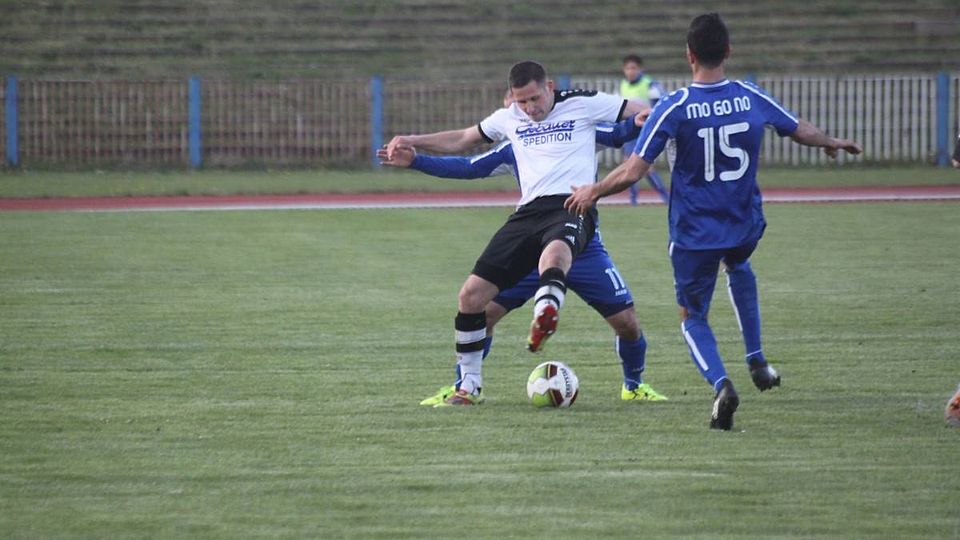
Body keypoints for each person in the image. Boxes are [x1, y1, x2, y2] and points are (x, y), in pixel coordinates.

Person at [566, 13, 862, 429]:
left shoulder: (675, 106)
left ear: (689, 55)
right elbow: (797, 128)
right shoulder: (749, 95)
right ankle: (757, 361)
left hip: (694, 232)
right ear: (728, 51)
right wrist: (831, 141)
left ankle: (722, 385)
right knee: (739, 264)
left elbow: (633, 170)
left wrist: (592, 191)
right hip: (744, 224)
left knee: (693, 316)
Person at [385, 60, 648, 406]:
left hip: (573, 218)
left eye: (534, 99)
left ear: (549, 87)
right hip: (528, 223)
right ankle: (467, 386)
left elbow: (627, 124)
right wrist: (415, 151)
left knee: (626, 323)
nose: (529, 108)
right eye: (521, 101)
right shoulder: (512, 129)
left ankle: (632, 385)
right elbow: (465, 152)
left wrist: (640, 122)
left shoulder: (580, 107)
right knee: (476, 304)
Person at [619, 54, 670, 205]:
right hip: (630, 129)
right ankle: (634, 200)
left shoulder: (650, 85)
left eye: (633, 68)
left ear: (640, 69)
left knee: (645, 167)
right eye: (628, 68)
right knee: (629, 164)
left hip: (645, 128)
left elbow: (661, 103)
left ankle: (664, 197)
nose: (630, 71)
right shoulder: (623, 85)